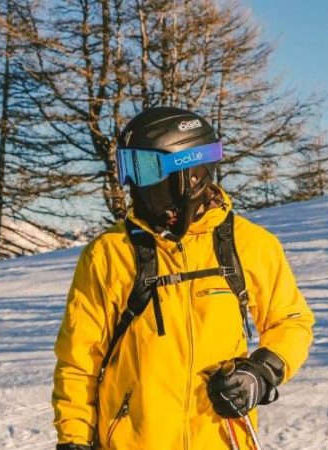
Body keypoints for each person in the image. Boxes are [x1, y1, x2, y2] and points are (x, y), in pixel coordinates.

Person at [52, 107, 314, 450]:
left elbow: (292, 321)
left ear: (190, 174)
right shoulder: (108, 253)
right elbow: (78, 360)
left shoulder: (251, 246)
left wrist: (260, 374)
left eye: (144, 169)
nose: (132, 183)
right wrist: (74, 441)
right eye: (128, 168)